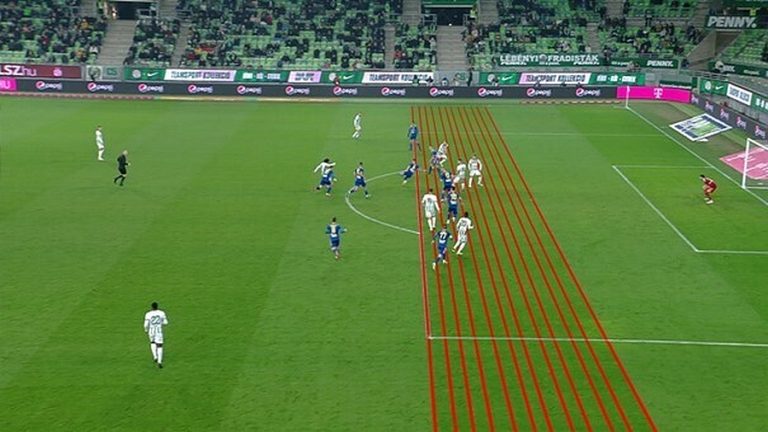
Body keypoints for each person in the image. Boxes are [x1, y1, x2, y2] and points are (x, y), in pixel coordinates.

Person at [143, 302, 168, 369]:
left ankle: (155, 356)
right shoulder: (161, 313)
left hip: (151, 331)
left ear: (151, 307)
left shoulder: (148, 314)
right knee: (160, 346)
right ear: (157, 306)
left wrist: (146, 330)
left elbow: (145, 325)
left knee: (152, 342)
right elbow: (166, 322)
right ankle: (159, 362)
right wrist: (160, 322)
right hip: (158, 331)